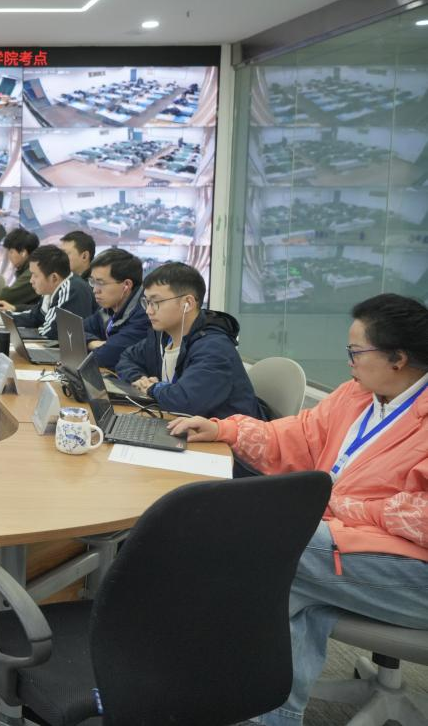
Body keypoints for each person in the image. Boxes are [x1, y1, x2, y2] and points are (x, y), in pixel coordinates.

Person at [168, 294, 428, 726]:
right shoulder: (356, 396)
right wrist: (223, 429)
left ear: (398, 359)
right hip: (346, 543)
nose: (348, 362)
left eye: (356, 352)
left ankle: (201, 681)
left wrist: (337, 505)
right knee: (290, 585)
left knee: (275, 550)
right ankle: (264, 712)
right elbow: (297, 436)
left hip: (414, 571)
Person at [115, 262, 265, 419]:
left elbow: (185, 403)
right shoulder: (162, 336)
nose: (148, 310)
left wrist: (153, 388)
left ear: (188, 303)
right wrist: (140, 379)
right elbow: (126, 358)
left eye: (156, 302)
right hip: (184, 424)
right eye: (147, 302)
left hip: (227, 433)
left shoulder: (214, 347)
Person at [7, 244, 97, 339]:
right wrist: (3, 318)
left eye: (35, 275)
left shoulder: (71, 289)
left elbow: (52, 331)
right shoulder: (52, 290)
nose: (31, 280)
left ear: (54, 277)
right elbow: (35, 317)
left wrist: (21, 334)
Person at [83, 248, 151, 370]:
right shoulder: (110, 306)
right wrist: (93, 342)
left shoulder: (145, 313)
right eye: (93, 282)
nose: (95, 290)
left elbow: (106, 356)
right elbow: (73, 332)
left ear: (126, 285)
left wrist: (103, 347)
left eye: (101, 283)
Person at [0, 227, 41, 311]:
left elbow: (4, 297)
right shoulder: (26, 268)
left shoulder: (31, 273)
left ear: (23, 252)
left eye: (11, 252)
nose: (9, 256)